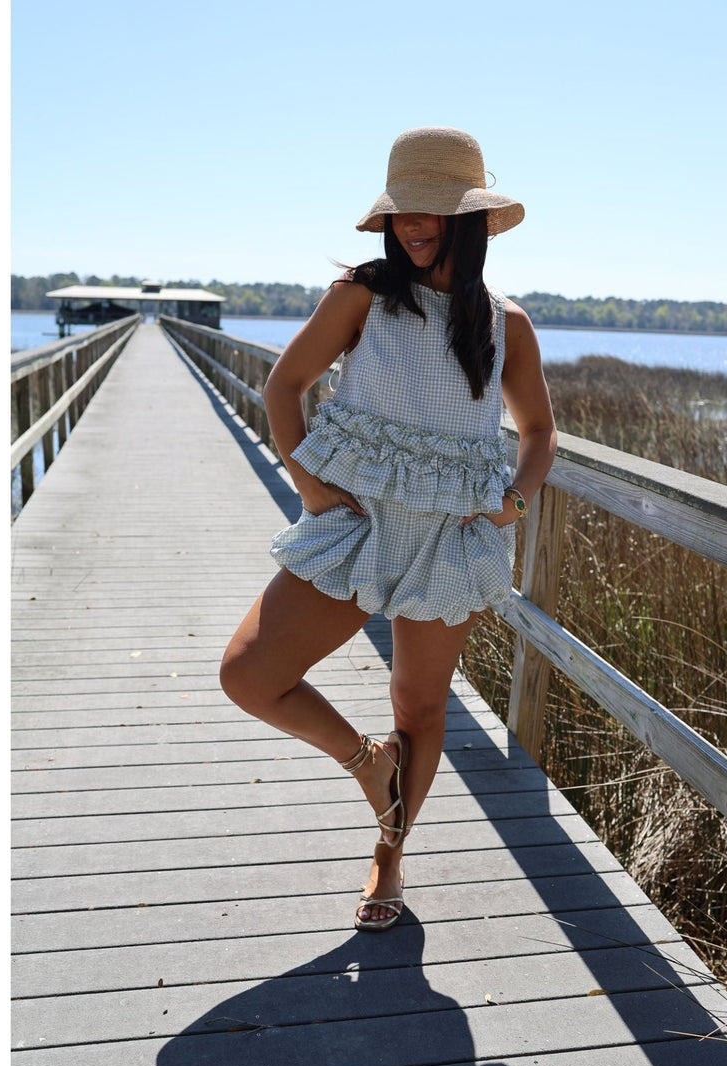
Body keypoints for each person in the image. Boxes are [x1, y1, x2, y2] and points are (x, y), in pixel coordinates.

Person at [220, 126, 557, 931]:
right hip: (356, 528)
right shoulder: (363, 296)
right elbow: (284, 386)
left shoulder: (505, 323)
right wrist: (311, 487)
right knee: (247, 674)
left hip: (449, 540)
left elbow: (540, 432)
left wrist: (513, 502)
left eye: (434, 212)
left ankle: (389, 857)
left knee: (422, 710)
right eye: (405, 209)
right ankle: (366, 765)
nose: (414, 225)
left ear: (470, 219)